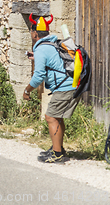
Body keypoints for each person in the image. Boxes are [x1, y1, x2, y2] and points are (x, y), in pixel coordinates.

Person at [23, 14, 81, 164]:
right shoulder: (53, 43)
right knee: (57, 117)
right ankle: (58, 149)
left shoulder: (42, 49)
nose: (31, 34)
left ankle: (57, 155)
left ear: (35, 33)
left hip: (65, 87)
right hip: (72, 85)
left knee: (51, 117)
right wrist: (37, 57)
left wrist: (27, 90)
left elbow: (38, 76)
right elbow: (54, 61)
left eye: (31, 32)